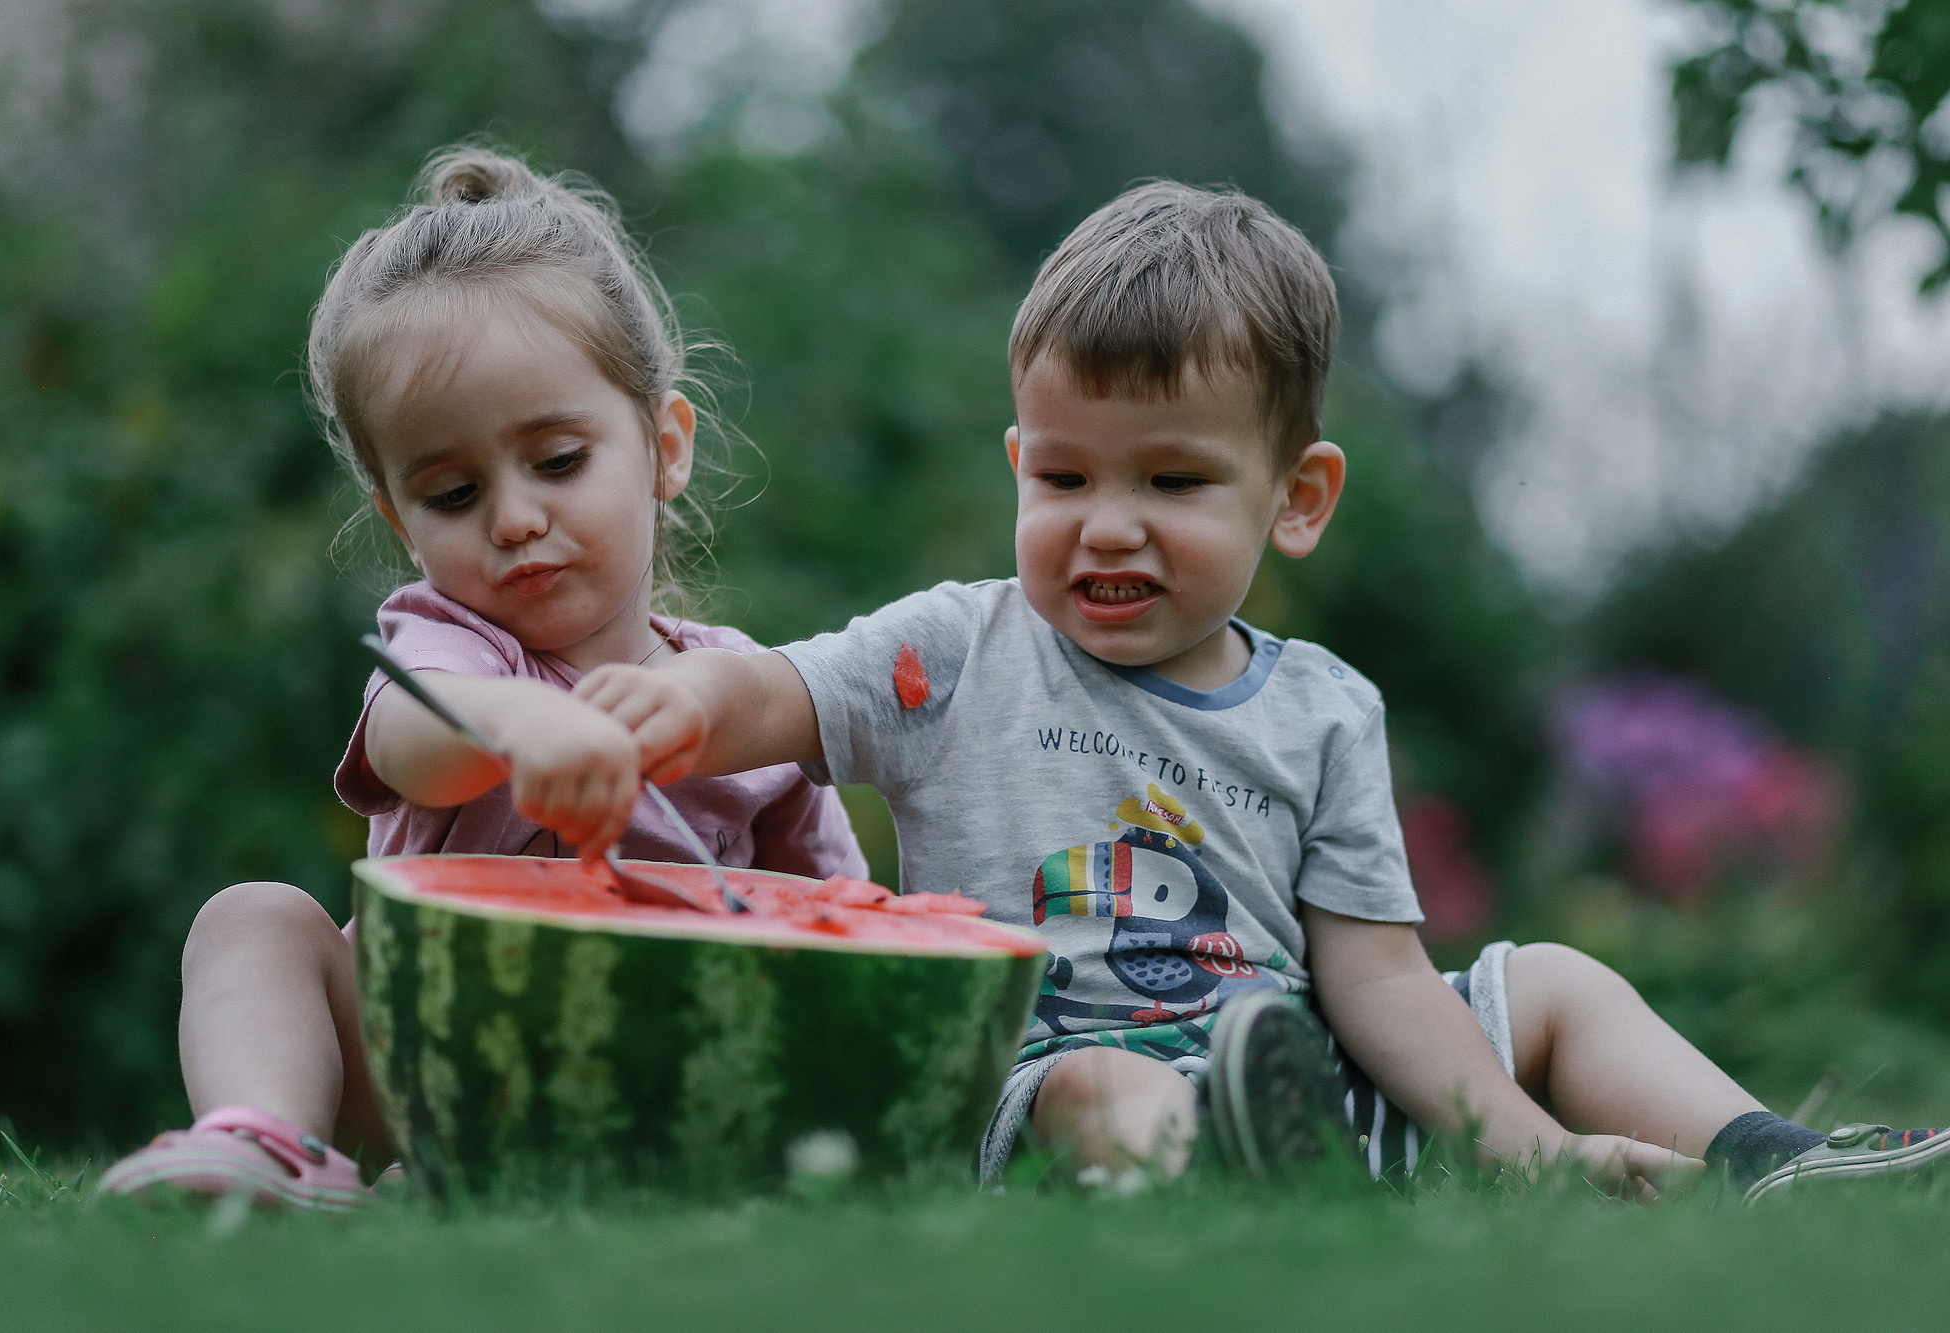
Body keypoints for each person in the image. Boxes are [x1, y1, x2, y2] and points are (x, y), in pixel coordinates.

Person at [568, 181, 1948, 1202]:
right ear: (1019, 464)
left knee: (1553, 981)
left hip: (1292, 1075)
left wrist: (1520, 1134)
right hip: (1042, 1087)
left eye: (1170, 480)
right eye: (1064, 478)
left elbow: (1379, 981)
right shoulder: (954, 650)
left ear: (1297, 500)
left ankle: (1768, 1157)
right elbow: (773, 700)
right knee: (1103, 1087)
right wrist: (674, 709)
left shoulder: (1325, 711)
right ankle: (1213, 1186)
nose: (1107, 524)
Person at [96, 147, 868, 1210]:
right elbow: (420, 730)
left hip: (662, 1069)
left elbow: (843, 916)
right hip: (416, 1059)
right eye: (453, 493)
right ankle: (267, 1136)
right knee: (253, 916)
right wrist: (518, 728)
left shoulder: (746, 695)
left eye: (557, 462)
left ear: (663, 446)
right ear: (397, 519)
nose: (513, 519)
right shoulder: (449, 643)